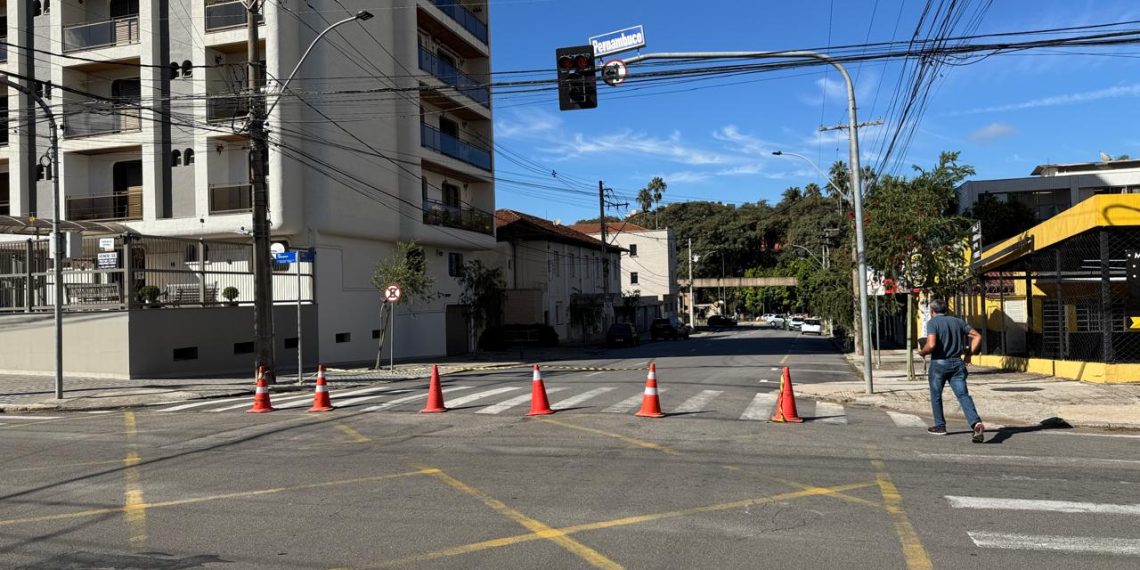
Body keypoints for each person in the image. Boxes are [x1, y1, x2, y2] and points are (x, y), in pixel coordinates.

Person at [917, 298, 985, 443]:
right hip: (957, 363)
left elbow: (931, 344)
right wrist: (968, 355)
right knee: (963, 395)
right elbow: (977, 336)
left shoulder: (932, 323)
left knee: (936, 395)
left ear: (932, 311)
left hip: (939, 364)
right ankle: (976, 423)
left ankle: (940, 426)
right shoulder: (958, 322)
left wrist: (922, 353)